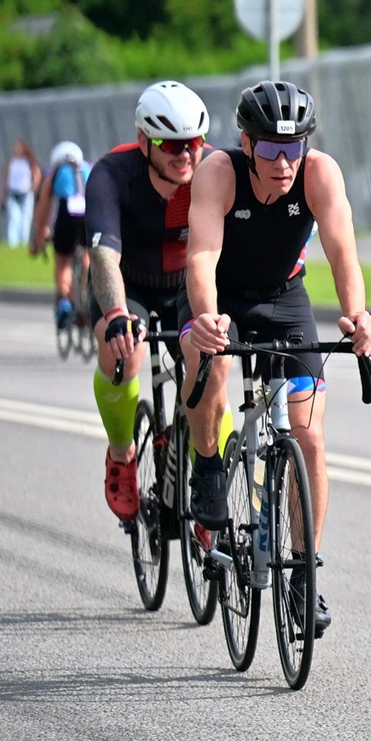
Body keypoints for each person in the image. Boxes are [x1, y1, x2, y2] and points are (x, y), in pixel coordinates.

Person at [184, 78, 371, 633]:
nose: (283, 162)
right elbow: (200, 256)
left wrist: (358, 316)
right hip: (220, 296)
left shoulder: (320, 173)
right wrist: (207, 318)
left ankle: (303, 576)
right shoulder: (218, 173)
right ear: (246, 143)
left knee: (309, 436)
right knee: (211, 362)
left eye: (293, 148)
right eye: (270, 148)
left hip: (283, 298)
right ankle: (207, 465)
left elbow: (343, 253)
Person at [85, 85, 214, 525]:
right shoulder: (112, 174)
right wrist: (117, 316)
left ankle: (209, 481)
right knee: (124, 352)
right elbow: (104, 258)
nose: (186, 155)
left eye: (193, 142)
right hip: (130, 286)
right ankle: (122, 453)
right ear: (144, 142)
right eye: (172, 145)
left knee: (209, 369)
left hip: (184, 286)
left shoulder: (214, 170)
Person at [32, 141, 91, 327]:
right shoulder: (88, 169)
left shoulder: (54, 173)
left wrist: (39, 236)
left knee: (63, 261)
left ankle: (66, 301)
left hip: (67, 214)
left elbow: (44, 209)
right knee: (88, 255)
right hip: (89, 214)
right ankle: (88, 289)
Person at [1, 140, 40, 248]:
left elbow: (36, 175)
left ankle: (23, 243)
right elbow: (6, 179)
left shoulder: (29, 162)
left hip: (25, 194)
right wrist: (3, 196)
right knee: (14, 218)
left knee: (25, 220)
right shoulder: (12, 162)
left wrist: (33, 188)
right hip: (13, 193)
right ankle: (13, 244)